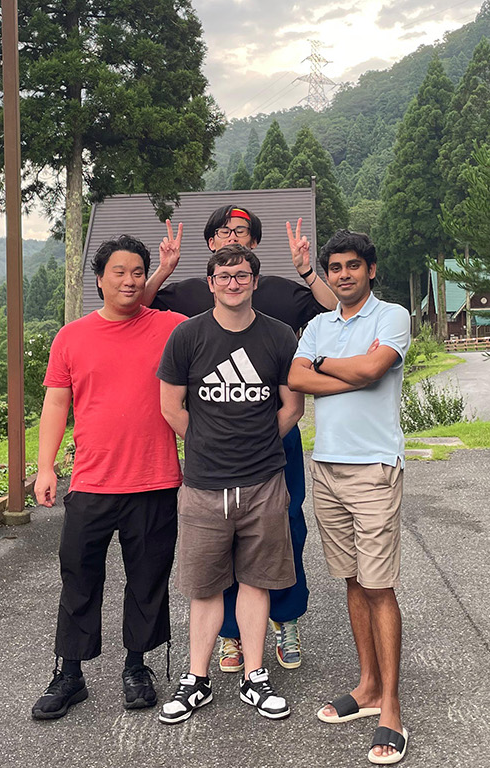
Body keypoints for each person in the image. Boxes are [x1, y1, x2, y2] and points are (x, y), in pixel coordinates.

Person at [142, 204, 333, 674]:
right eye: (225, 231)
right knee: (218, 539)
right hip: (214, 451)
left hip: (275, 440)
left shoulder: (282, 295)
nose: (234, 238)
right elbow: (136, 309)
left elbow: (336, 309)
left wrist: (307, 269)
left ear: (254, 247)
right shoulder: (188, 293)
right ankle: (230, 634)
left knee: (284, 528)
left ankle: (285, 620)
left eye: (243, 232)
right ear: (209, 248)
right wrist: (163, 267)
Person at [30, 235, 187, 721]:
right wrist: (44, 465)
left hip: (154, 480)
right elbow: (56, 402)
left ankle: (137, 667)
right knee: (78, 575)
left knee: (147, 580)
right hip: (92, 483)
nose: (129, 280)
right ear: (98, 278)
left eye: (138, 272)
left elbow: (224, 331)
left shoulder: (171, 328)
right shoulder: (71, 337)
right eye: (119, 272)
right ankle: (70, 672)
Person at [156, 243, 304, 724]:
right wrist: (206, 446)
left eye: (242, 275)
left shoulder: (280, 337)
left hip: (264, 481)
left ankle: (254, 676)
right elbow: (170, 407)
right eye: (225, 275)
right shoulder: (187, 336)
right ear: (211, 282)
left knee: (258, 581)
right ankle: (196, 679)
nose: (233, 282)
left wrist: (257, 445)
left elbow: (292, 407)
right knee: (204, 586)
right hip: (203, 484)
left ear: (255, 282)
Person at [287, 230, 412, 765]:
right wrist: (346, 371)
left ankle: (392, 709)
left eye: (352, 266)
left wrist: (328, 369)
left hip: (374, 469)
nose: (343, 274)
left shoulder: (391, 316)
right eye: (334, 267)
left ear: (371, 270)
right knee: (352, 580)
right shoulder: (317, 324)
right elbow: (294, 376)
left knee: (380, 586)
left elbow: (373, 369)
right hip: (327, 469)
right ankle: (365, 687)